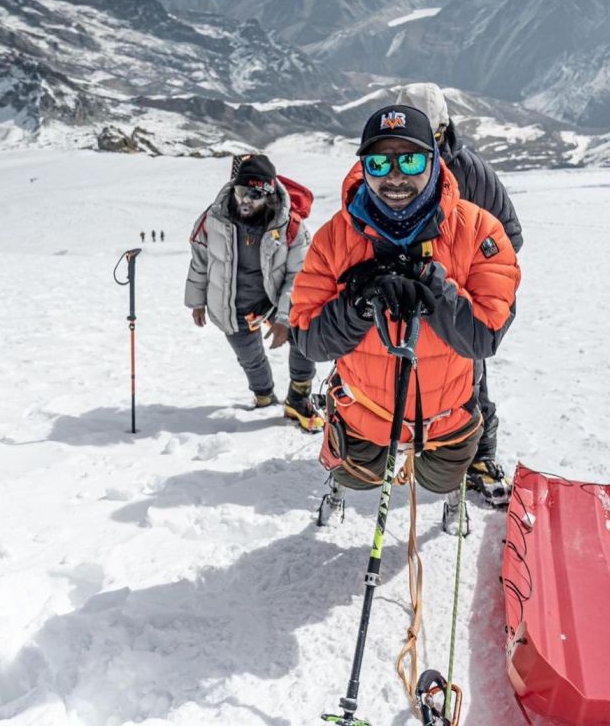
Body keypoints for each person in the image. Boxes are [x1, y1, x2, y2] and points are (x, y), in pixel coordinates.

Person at [290, 106, 520, 532]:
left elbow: (484, 335)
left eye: (410, 160)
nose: (394, 177)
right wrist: (358, 302)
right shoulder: (334, 240)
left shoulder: (478, 232)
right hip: (362, 413)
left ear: (435, 160)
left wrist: (432, 285)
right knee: (353, 475)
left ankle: (453, 496)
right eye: (378, 163)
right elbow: (307, 336)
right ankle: (340, 490)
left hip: (447, 415)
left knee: (442, 475)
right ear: (364, 167)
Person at [396, 83, 523, 506]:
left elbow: (508, 235)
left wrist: (472, 281)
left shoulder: (472, 174)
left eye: (426, 138)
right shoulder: (387, 167)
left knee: (472, 377)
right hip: (404, 296)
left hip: (459, 301)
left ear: (442, 130)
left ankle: (480, 456)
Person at [185, 154, 323, 431]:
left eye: (255, 194)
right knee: (250, 357)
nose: (245, 200)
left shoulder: (291, 226)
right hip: (233, 304)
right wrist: (196, 301)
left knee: (304, 332)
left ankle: (298, 396)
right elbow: (200, 260)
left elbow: (299, 276)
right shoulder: (213, 218)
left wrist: (284, 318)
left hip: (274, 301)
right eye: (240, 192)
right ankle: (264, 396)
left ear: (270, 194)